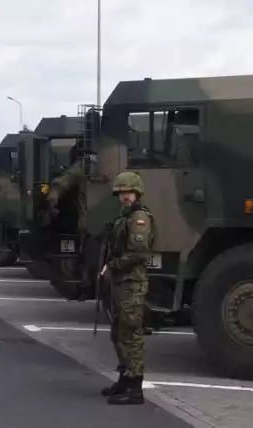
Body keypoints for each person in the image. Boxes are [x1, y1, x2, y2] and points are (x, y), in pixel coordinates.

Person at [99, 171, 156, 405]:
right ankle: (125, 378)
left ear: (137, 193)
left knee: (132, 334)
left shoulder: (139, 218)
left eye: (129, 192)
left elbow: (138, 253)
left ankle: (135, 388)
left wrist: (112, 266)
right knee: (119, 332)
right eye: (122, 193)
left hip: (132, 283)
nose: (125, 197)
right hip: (121, 282)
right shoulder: (125, 217)